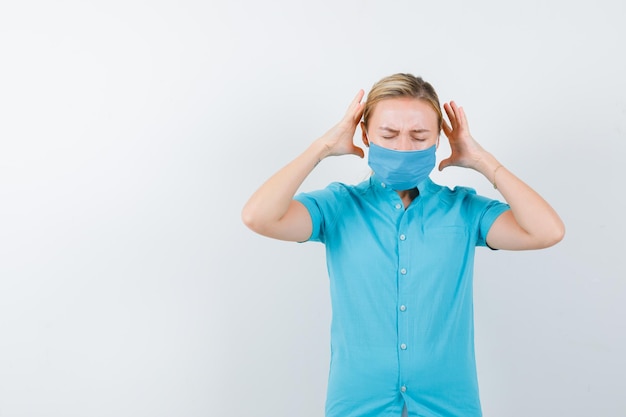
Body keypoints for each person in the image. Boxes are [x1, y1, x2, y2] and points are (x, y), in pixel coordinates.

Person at [241, 73, 564, 417]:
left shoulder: (464, 210)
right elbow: (259, 217)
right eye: (389, 135)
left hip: (449, 407)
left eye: (419, 136)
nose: (403, 147)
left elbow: (546, 231)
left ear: (438, 139)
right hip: (358, 407)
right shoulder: (339, 206)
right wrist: (322, 147)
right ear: (365, 134)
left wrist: (482, 160)